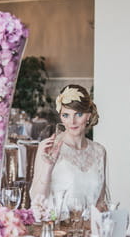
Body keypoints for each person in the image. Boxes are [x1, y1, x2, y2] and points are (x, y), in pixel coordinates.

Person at [29, 84, 106, 214]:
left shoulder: (99, 151)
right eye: (66, 115)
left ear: (88, 115)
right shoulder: (48, 147)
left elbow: (100, 202)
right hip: (59, 229)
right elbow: (36, 201)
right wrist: (48, 168)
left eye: (79, 114)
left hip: (87, 230)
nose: (72, 121)